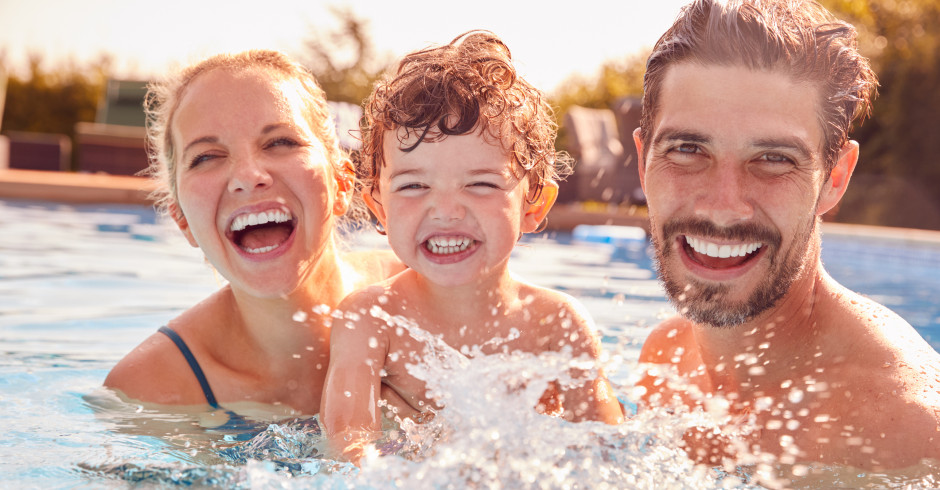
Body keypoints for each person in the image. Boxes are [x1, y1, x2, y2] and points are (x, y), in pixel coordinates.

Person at [632, 0, 940, 472]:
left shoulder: (901, 427)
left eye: (774, 159)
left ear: (835, 178)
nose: (723, 205)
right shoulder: (666, 359)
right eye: (687, 149)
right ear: (642, 160)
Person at [320, 31, 625, 462]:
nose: (446, 210)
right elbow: (346, 449)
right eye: (414, 185)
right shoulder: (370, 320)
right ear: (379, 209)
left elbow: (607, 452)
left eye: (480, 184)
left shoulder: (556, 324)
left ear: (534, 206)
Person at [104, 50, 403, 420]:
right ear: (182, 220)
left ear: (342, 183)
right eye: (207, 157)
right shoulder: (151, 391)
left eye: (280, 142)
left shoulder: (432, 294)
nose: (248, 175)